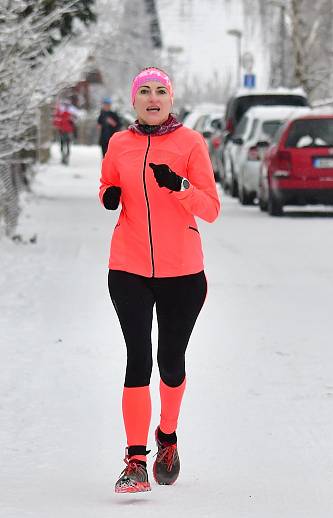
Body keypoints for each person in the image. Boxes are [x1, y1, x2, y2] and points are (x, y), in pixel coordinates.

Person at [99, 67, 220, 493]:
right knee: (138, 359)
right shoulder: (118, 143)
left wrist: (180, 185)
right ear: (134, 100)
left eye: (161, 91)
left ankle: (167, 436)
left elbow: (210, 207)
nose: (153, 97)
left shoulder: (190, 142)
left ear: (171, 99)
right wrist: (108, 195)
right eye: (145, 91)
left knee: (170, 363)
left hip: (183, 273)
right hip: (128, 268)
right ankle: (134, 460)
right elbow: (107, 182)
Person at [52, 99, 79, 165]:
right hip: (62, 131)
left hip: (68, 131)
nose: (66, 106)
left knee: (67, 144)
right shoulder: (61, 112)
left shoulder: (71, 112)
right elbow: (55, 121)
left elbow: (75, 121)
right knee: (63, 144)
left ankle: (66, 157)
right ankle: (64, 157)